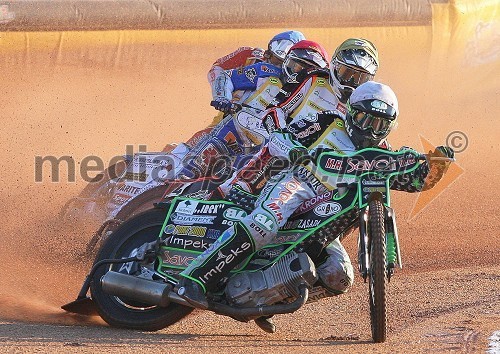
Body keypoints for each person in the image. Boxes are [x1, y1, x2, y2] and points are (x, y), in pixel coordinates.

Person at [175, 81, 455, 324]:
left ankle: (265, 301)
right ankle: (194, 278)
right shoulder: (326, 121)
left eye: (379, 123)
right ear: (351, 112)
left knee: (339, 276)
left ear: (389, 126)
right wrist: (295, 151)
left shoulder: (382, 153)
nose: (370, 129)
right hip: (298, 183)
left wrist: (435, 168)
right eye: (365, 119)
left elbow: (411, 181)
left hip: (325, 220)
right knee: (263, 224)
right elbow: (279, 138)